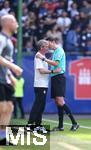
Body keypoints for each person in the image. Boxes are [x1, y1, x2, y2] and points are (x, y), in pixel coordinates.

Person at [36, 36, 79, 131]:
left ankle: (75, 123)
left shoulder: (59, 50)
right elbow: (53, 63)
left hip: (59, 77)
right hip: (55, 77)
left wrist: (43, 58)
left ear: (53, 41)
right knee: (57, 102)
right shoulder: (55, 52)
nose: (48, 46)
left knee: (60, 101)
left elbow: (55, 64)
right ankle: (61, 126)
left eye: (48, 44)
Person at [26, 39, 61, 133]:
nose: (48, 46)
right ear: (42, 47)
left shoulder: (42, 56)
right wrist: (54, 71)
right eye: (46, 45)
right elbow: (41, 71)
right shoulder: (38, 56)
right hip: (40, 85)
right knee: (38, 105)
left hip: (43, 85)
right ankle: (29, 125)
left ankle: (38, 126)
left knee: (41, 106)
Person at [0, 14, 23, 145]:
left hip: (5, 79)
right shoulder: (2, 38)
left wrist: (10, 76)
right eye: (15, 22)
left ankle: (3, 137)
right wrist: (13, 67)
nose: (17, 25)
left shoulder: (10, 41)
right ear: (8, 23)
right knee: (2, 107)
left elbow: (5, 60)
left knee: (9, 107)